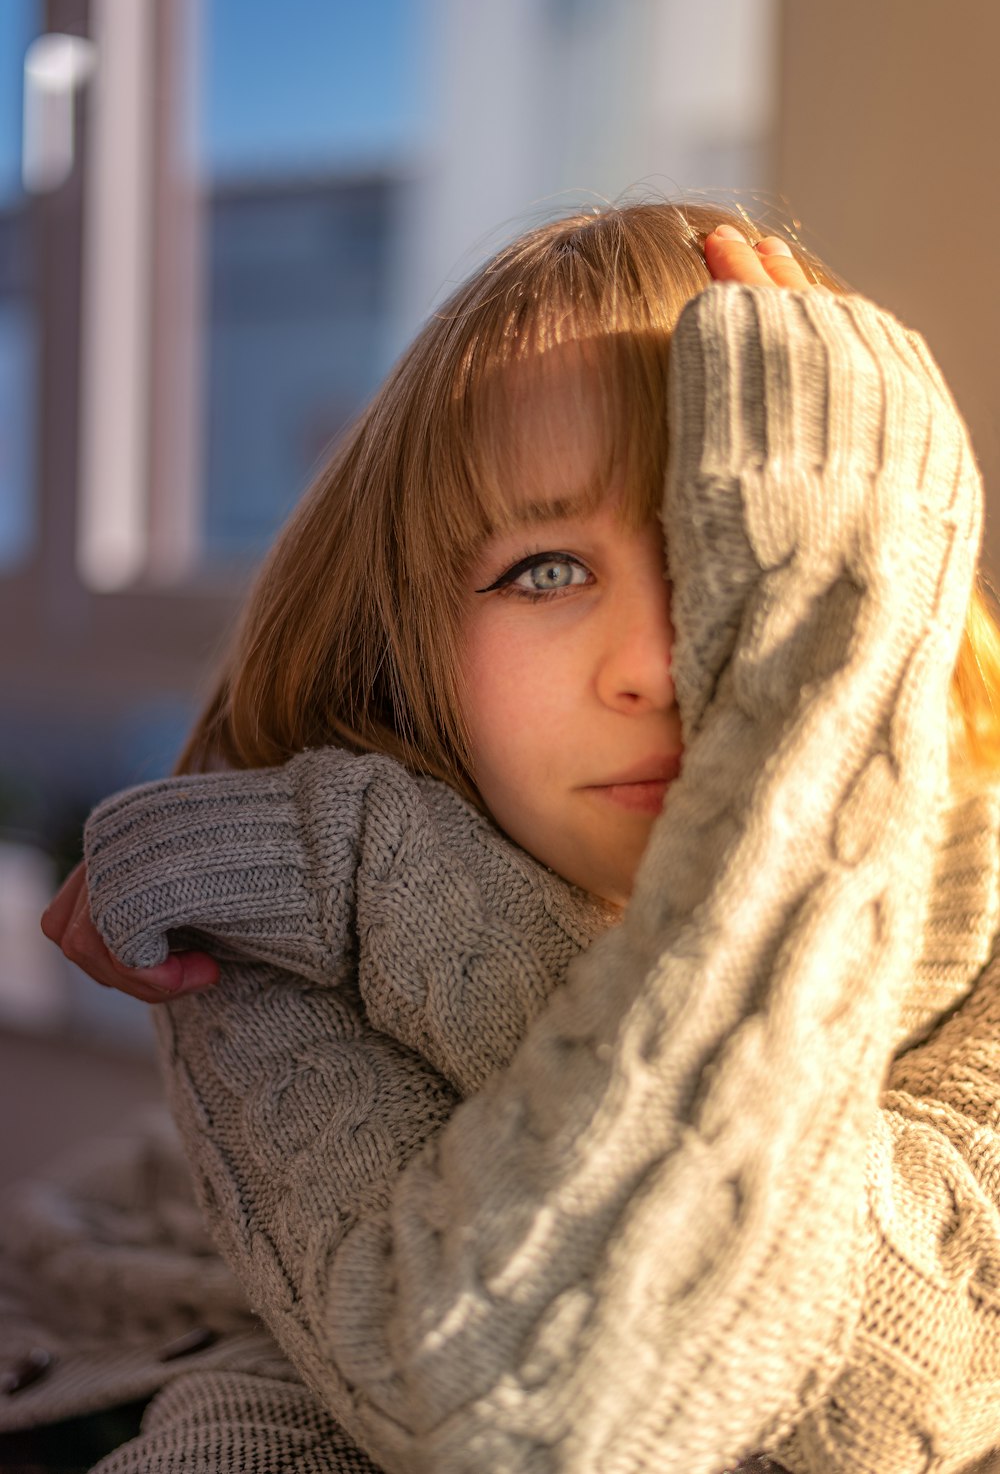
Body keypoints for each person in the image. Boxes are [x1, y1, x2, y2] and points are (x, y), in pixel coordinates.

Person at [16, 203, 1000, 1474]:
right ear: (412, 645)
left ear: (880, 581)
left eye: (756, 556)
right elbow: (519, 1400)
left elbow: (862, 1408)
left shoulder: (331, 877)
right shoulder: (260, 939)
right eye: (546, 569)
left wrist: (376, 880)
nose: (654, 664)